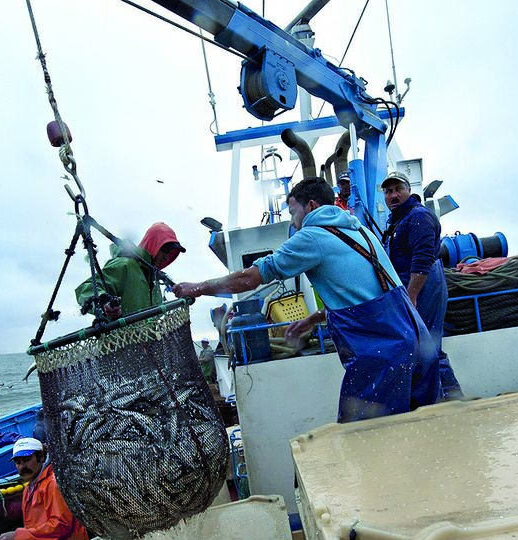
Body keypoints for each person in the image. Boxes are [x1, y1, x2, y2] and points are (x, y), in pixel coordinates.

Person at [173, 177, 439, 423]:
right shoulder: (362, 231)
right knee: (425, 427)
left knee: (366, 436)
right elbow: (365, 295)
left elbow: (250, 278)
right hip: (416, 339)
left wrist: (197, 288)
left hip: (383, 353)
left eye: (293, 212)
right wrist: (313, 319)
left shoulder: (312, 236)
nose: (293, 221)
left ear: (311, 206)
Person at [381, 170, 464, 401]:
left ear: (409, 190)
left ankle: (453, 399)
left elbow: (423, 258)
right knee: (419, 346)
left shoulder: (418, 216)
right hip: (410, 286)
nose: (393, 195)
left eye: (398, 189)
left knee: (429, 347)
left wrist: (412, 296)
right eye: (388, 191)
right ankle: (441, 399)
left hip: (423, 285)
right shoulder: (397, 220)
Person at [75, 222, 185, 319]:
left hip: (147, 336)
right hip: (119, 336)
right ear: (152, 245)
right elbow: (85, 289)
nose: (166, 258)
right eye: (165, 251)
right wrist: (104, 303)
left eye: (170, 254)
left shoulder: (154, 280)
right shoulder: (125, 265)